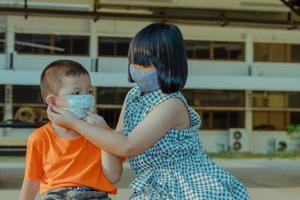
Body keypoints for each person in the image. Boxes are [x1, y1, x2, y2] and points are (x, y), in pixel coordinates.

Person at [48, 23, 250, 199]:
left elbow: (127, 146)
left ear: (169, 65)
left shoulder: (171, 104)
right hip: (153, 187)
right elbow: (116, 147)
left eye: (145, 63)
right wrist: (102, 129)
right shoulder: (134, 96)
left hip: (188, 186)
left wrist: (76, 124)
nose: (136, 68)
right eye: (134, 62)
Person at [19, 60, 123, 200]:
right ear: (53, 102)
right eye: (76, 93)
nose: (86, 97)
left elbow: (113, 176)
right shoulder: (39, 138)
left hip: (96, 195)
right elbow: (31, 181)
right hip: (57, 195)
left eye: (89, 91)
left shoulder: (101, 132)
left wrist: (103, 133)